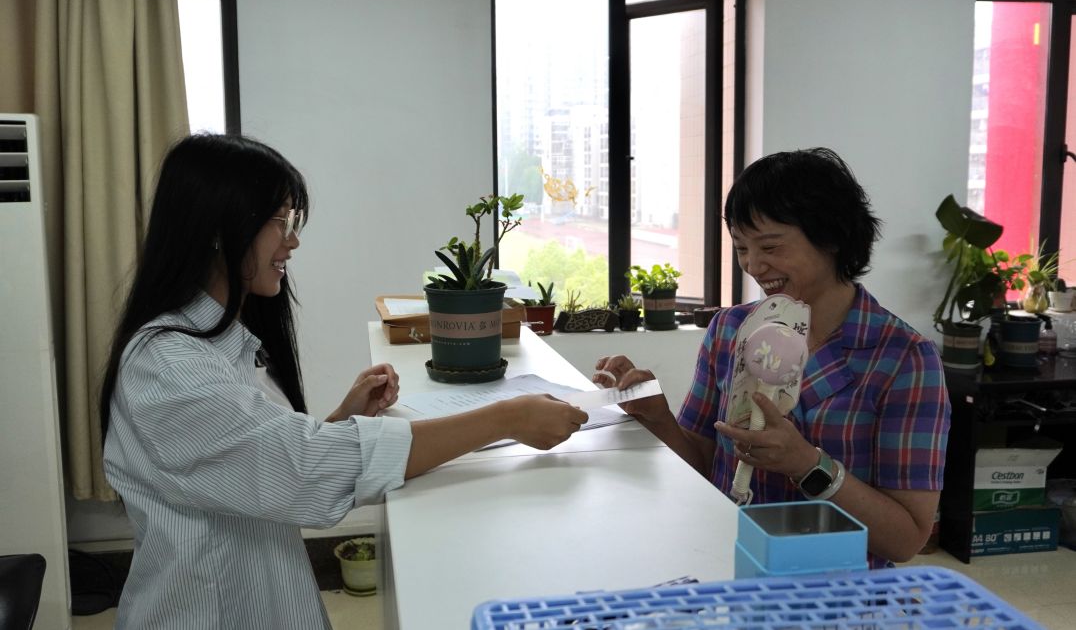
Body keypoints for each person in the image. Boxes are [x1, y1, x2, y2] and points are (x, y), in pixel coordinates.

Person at [99, 133, 588, 629]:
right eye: (280, 221)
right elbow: (302, 470)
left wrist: (339, 420)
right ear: (218, 230)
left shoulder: (222, 344)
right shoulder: (169, 368)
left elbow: (256, 465)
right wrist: (508, 417)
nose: (292, 241)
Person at [593, 147, 949, 568]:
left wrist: (807, 465)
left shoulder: (904, 358)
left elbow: (906, 538)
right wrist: (657, 416)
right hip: (727, 567)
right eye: (741, 248)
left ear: (832, 238)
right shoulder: (730, 330)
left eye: (771, 247)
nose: (754, 265)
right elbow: (703, 464)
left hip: (834, 590)